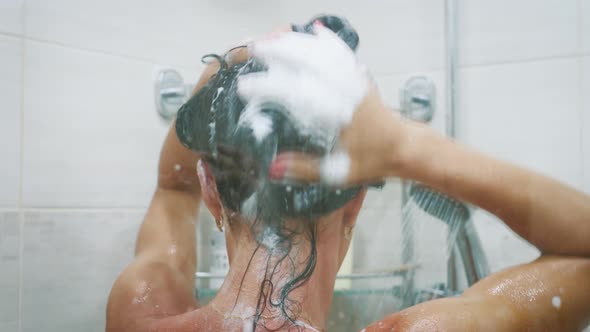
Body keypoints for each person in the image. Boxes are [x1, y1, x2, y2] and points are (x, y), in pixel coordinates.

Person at [106, 16, 590, 332]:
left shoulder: (138, 314)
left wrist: (232, 68)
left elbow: (173, 186)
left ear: (212, 192)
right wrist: (400, 147)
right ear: (354, 203)